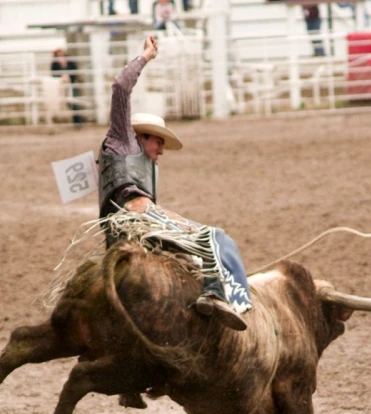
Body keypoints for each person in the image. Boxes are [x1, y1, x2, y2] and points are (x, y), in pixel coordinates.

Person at [97, 35, 251, 332]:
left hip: (124, 231)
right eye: (159, 140)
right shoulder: (122, 142)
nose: (162, 149)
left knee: (186, 257)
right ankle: (215, 294)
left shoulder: (134, 161)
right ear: (141, 136)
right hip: (136, 218)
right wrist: (145, 57)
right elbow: (120, 89)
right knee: (213, 237)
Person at [51, 47, 83, 128]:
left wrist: (69, 77)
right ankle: (76, 120)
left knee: (74, 102)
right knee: (69, 102)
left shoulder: (70, 60)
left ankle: (77, 122)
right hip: (62, 85)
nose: (60, 53)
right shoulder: (54, 63)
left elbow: (74, 71)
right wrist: (61, 77)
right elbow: (53, 73)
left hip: (71, 84)